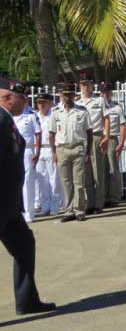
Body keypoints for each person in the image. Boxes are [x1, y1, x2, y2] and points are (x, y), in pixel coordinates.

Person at [0, 78, 56, 315]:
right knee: (24, 244)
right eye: (21, 98)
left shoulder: (7, 120)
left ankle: (27, 301)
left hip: (8, 204)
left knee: (24, 243)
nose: (26, 102)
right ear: (7, 98)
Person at [49, 82, 92, 222]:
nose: (67, 97)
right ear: (60, 95)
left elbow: (89, 132)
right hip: (62, 149)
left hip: (78, 148)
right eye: (64, 95)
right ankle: (68, 210)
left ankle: (79, 210)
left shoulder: (82, 111)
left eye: (69, 95)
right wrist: (54, 152)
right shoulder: (56, 112)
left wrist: (88, 152)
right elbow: (51, 133)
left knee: (79, 181)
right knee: (66, 182)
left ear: (74, 95)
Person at [76, 73, 105, 214]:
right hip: (82, 139)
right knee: (85, 172)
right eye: (83, 84)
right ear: (80, 86)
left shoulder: (99, 100)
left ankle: (98, 204)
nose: (85, 87)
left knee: (98, 171)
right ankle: (89, 203)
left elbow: (106, 118)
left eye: (88, 84)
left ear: (92, 85)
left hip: (96, 135)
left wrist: (106, 136)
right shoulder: (77, 102)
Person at [13, 94, 41, 223]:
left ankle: (29, 213)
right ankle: (17, 212)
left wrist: (37, 152)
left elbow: (38, 133)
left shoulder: (31, 116)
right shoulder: (11, 115)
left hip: (28, 150)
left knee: (28, 182)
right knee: (15, 182)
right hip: (13, 151)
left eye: (23, 100)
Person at [34, 94, 62, 216]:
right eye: (39, 103)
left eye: (43, 103)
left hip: (51, 148)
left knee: (54, 179)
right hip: (39, 149)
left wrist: (55, 150)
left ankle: (55, 206)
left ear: (50, 104)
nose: (41, 105)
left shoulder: (54, 115)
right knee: (42, 180)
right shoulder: (34, 116)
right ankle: (45, 206)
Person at [99, 82, 126, 207]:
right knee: (101, 170)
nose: (105, 94)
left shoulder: (117, 108)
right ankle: (103, 197)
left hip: (112, 139)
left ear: (111, 93)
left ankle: (114, 197)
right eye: (103, 92)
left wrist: (121, 143)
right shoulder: (97, 107)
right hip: (100, 139)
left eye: (107, 92)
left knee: (113, 169)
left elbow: (123, 126)